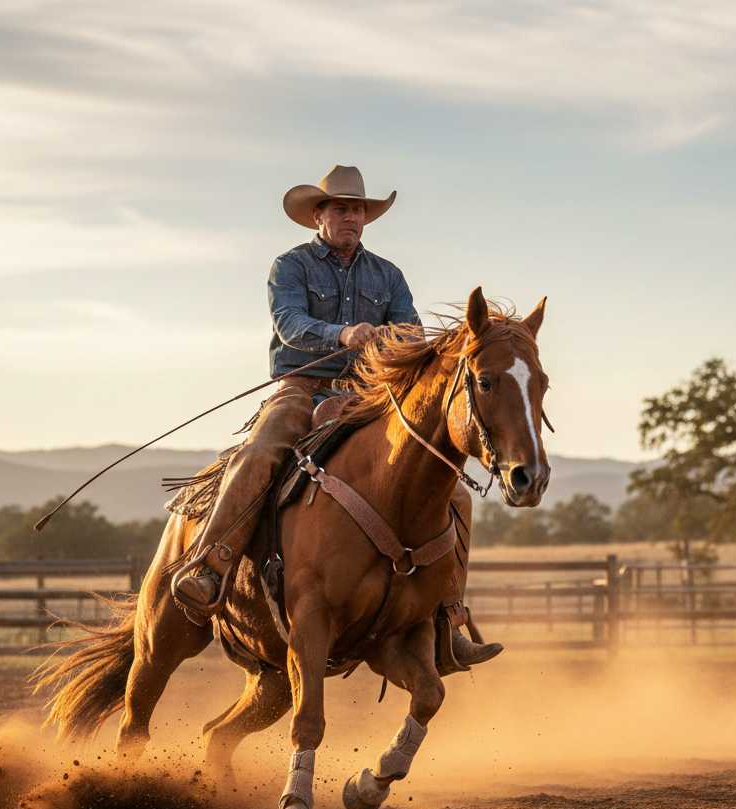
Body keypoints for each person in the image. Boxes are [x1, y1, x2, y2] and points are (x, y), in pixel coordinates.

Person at [171, 165, 499, 670]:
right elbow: (290, 325)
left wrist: (401, 345)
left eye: (359, 210)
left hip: (368, 395)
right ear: (318, 216)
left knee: (450, 488)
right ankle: (212, 566)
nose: (352, 217)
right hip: (301, 387)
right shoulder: (291, 266)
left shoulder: (388, 275)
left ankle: (447, 616)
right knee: (260, 452)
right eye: (341, 208)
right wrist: (343, 335)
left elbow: (409, 330)